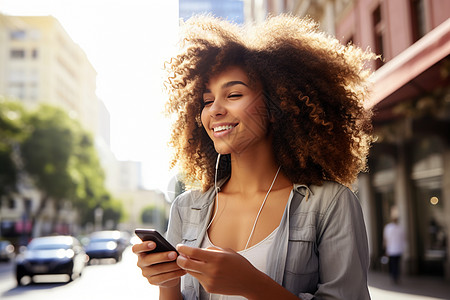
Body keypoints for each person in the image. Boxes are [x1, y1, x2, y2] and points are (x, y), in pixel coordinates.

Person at [133, 14, 376, 299]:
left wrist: (252, 285)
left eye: (233, 95)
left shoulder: (330, 204)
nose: (215, 110)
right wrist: (167, 283)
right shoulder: (186, 208)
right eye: (208, 101)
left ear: (277, 106)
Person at [383, 216, 406, 284]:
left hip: (392, 249)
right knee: (397, 264)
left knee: (393, 264)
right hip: (398, 249)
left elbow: (385, 239)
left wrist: (385, 248)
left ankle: (394, 277)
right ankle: (396, 277)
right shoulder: (400, 228)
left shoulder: (388, 228)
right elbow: (403, 239)